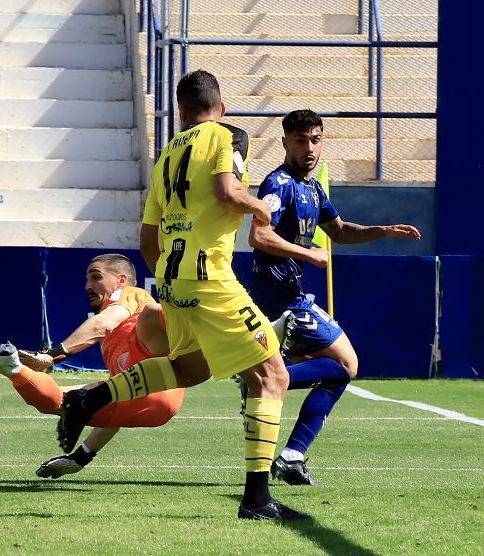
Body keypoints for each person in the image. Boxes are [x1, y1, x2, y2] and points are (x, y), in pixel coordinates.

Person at [55, 70, 310, 520]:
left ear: (181, 111)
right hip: (211, 278)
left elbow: (147, 240)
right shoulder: (226, 136)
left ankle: (88, 399)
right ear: (221, 108)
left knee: (188, 368)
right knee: (272, 377)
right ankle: (256, 499)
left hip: (173, 282)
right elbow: (228, 192)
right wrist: (261, 208)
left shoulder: (166, 157)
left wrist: (172, 280)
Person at [248, 109, 421, 485]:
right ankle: (266, 384)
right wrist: (308, 253)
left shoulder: (312, 188)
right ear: (285, 142)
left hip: (292, 295)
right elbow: (258, 236)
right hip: (279, 299)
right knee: (346, 365)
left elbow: (339, 230)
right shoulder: (278, 184)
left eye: (315, 139)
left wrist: (382, 230)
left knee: (342, 368)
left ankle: (287, 441)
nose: (308, 148)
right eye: (300, 140)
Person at [0, 253, 183, 478]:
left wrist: (52, 355)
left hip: (161, 382)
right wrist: (80, 458)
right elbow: (116, 402)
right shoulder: (116, 341)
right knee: (58, 401)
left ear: (121, 280)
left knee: (153, 314)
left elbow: (102, 324)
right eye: (87, 279)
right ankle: (14, 369)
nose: (87, 285)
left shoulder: (131, 294)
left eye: (96, 277)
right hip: (152, 402)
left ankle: (14, 368)